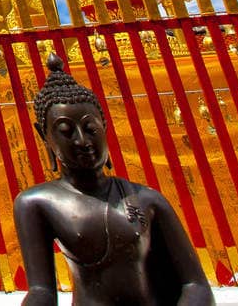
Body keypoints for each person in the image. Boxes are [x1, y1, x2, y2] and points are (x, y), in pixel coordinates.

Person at [13, 54, 214, 305]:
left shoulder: (147, 199)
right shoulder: (36, 203)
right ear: (45, 137)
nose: (82, 142)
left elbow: (195, 285)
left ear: (104, 126)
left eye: (90, 129)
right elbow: (41, 291)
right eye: (65, 132)